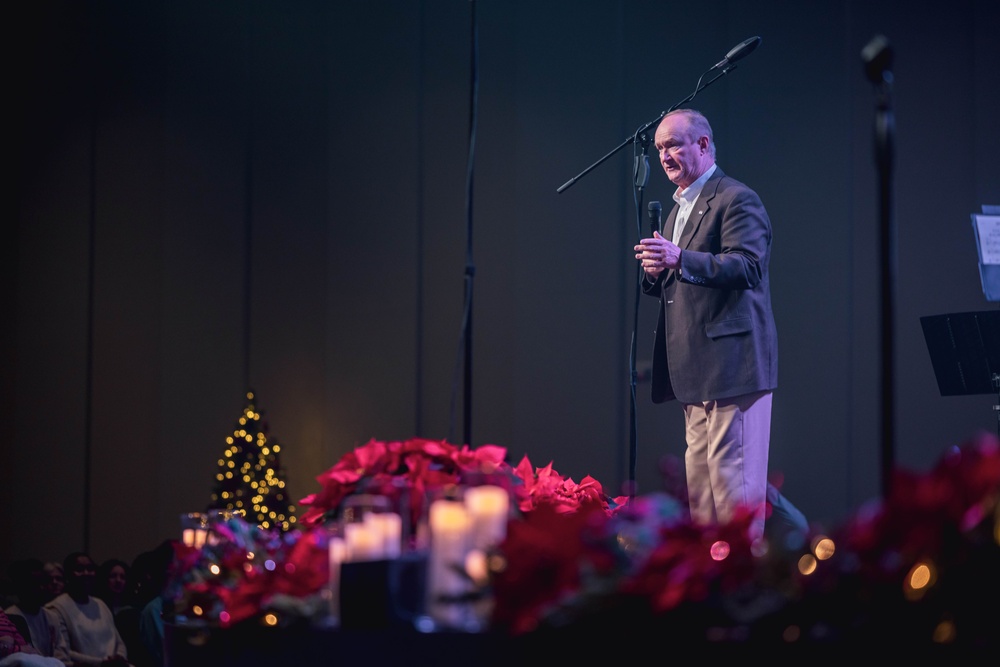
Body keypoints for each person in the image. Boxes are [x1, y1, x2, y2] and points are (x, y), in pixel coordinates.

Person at [634, 108, 778, 544]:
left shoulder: (736, 198)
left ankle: (745, 596)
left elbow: (748, 266)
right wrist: (657, 272)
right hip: (694, 372)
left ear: (704, 144)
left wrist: (680, 259)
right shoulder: (679, 209)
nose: (665, 155)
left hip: (733, 367)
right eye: (659, 148)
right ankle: (707, 592)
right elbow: (686, 278)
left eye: (674, 144)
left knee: (734, 499)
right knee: (702, 500)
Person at [45, 552, 133, 667]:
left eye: (90, 569)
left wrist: (120, 657)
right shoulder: (56, 608)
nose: (86, 573)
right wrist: (102, 663)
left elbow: (118, 642)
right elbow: (64, 652)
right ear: (68, 575)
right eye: (79, 569)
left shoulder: (100, 604)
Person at [3, 559, 59, 657]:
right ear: (22, 587)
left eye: (43, 582)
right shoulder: (10, 618)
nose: (41, 588)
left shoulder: (51, 616)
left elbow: (60, 653)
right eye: (34, 584)